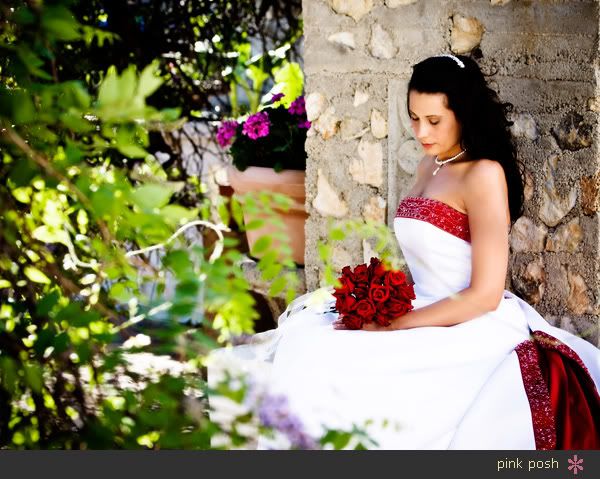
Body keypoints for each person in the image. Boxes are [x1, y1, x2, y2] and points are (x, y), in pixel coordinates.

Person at [208, 54, 600, 450]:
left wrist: (398, 323)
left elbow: (485, 294)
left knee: (326, 354)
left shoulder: (484, 175)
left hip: (470, 320)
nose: (421, 131)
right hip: (421, 304)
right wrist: (379, 301)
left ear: (463, 114)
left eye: (434, 121)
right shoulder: (429, 164)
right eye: (414, 117)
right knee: (308, 339)